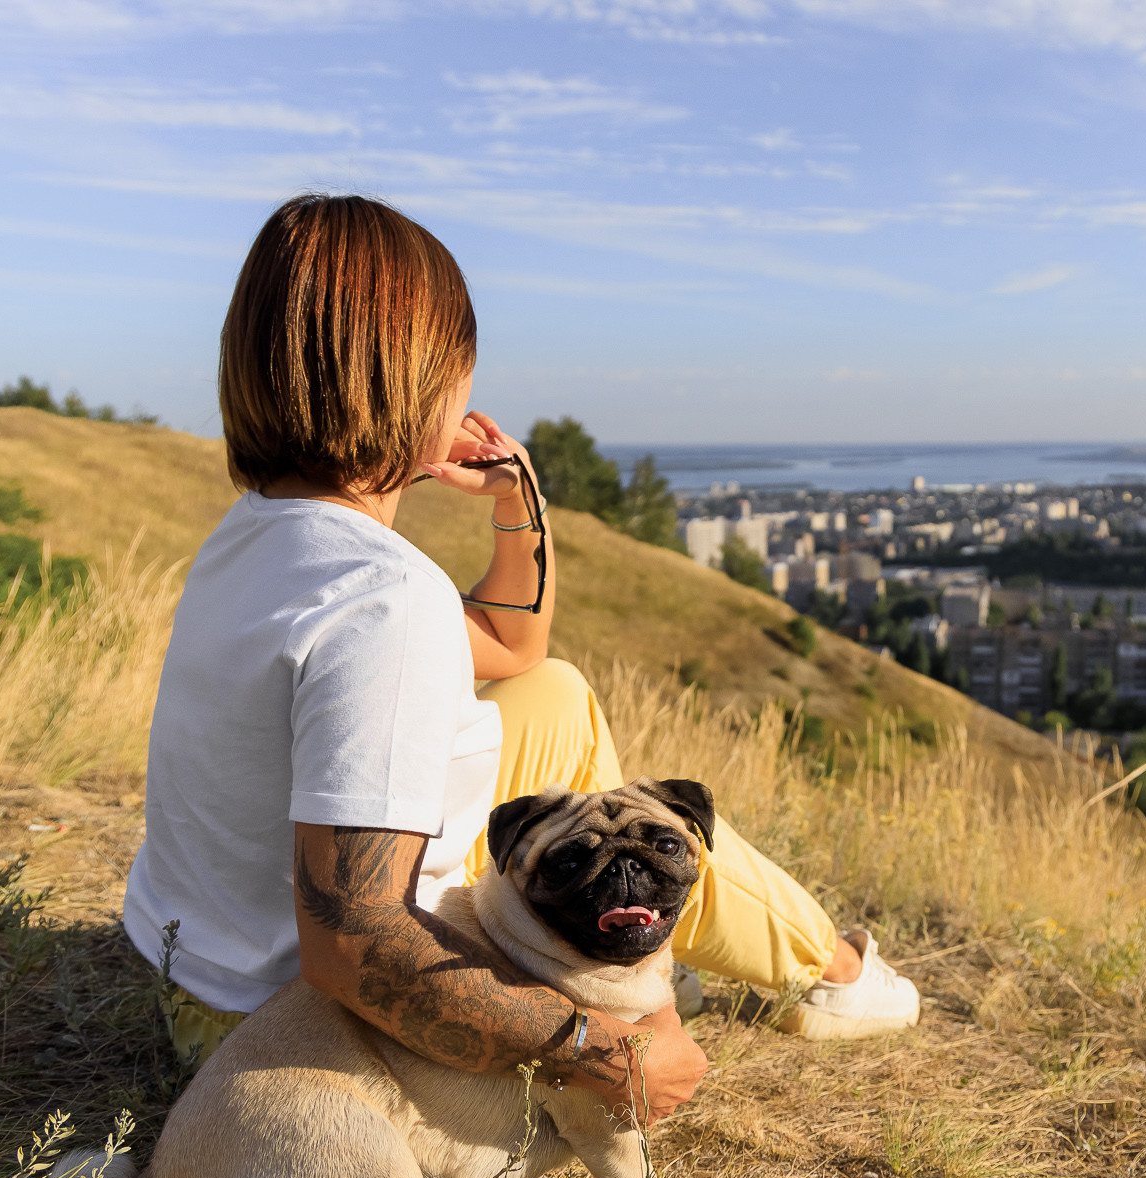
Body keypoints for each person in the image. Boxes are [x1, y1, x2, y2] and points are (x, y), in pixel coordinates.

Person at [121, 193, 919, 1124]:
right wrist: (589, 1046)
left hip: (194, 990)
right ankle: (822, 967)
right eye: (458, 369)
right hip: (289, 1051)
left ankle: (657, 951)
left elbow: (511, 646)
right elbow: (353, 945)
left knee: (557, 694)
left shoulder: (261, 537)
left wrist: (516, 498)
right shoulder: (386, 601)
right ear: (414, 379)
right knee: (624, 809)